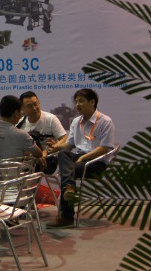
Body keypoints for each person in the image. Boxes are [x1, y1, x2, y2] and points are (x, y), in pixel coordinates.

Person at [46, 89, 116, 229]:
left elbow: (104, 148)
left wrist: (84, 157)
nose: (77, 105)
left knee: (68, 171)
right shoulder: (76, 121)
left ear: (92, 102)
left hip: (97, 162)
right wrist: (56, 147)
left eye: (81, 101)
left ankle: (66, 217)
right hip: (79, 159)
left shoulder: (105, 121)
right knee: (63, 154)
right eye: (76, 102)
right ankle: (69, 188)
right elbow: (69, 145)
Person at [0, 95, 44, 165]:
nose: (21, 115)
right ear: (16, 113)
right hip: (13, 172)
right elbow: (39, 154)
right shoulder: (21, 135)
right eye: (20, 111)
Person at [17, 91, 68, 171]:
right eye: (30, 106)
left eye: (36, 104)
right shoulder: (20, 124)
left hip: (49, 159)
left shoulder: (51, 119)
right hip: (28, 162)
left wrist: (51, 148)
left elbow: (64, 138)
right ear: (22, 109)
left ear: (39, 103)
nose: (34, 108)